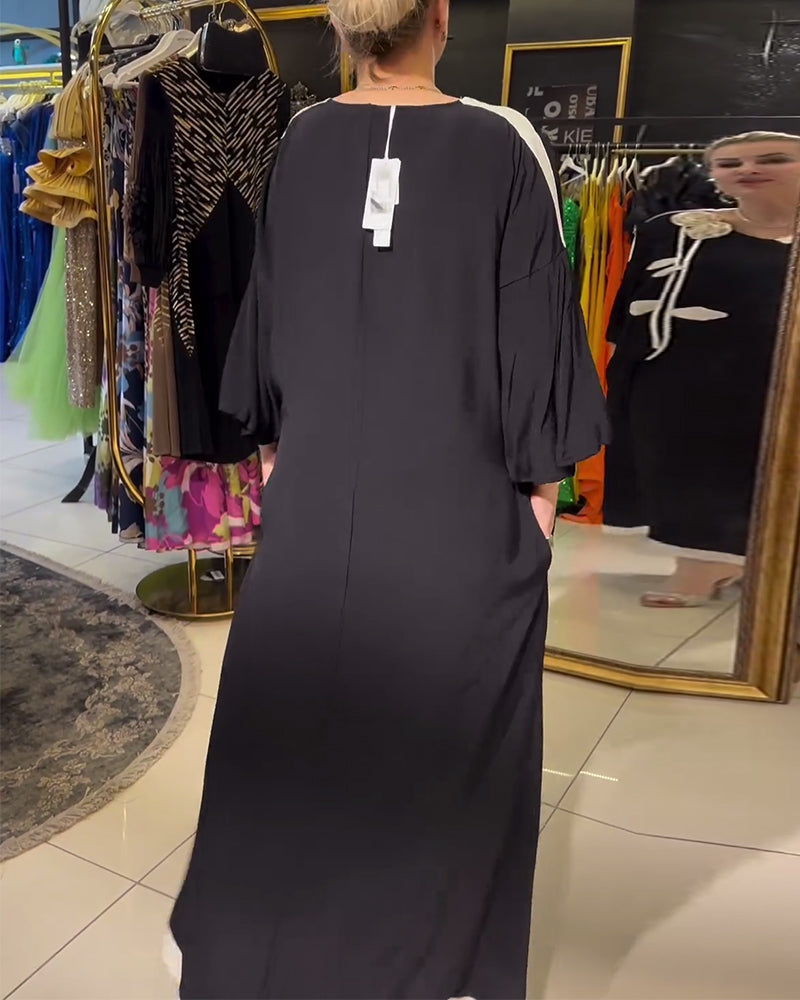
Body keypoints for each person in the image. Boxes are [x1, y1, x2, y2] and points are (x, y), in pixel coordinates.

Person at [168, 1, 607, 996]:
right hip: (458, 511)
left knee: (294, 738)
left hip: (316, 502)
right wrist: (538, 509)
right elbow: (533, 342)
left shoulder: (303, 143)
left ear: (340, 25)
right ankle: (420, 966)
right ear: (439, 18)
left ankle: (266, 958)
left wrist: (281, 461)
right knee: (441, 751)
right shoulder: (502, 148)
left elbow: (270, 326)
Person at [605, 132, 800, 607]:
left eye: (773, 158)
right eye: (730, 163)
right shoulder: (672, 230)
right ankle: (702, 565)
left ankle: (769, 569)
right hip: (684, 384)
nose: (748, 169)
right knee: (689, 471)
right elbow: (628, 310)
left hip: (784, 382)